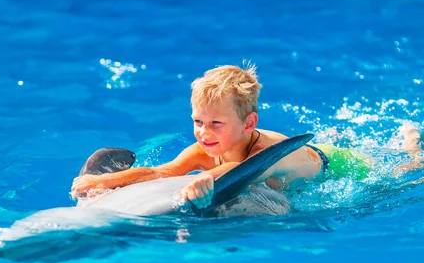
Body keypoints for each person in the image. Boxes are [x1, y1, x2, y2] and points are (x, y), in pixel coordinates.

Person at [70, 63, 410, 208]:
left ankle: (410, 142)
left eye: (216, 124)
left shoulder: (264, 150)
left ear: (249, 124)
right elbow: (166, 171)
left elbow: (236, 171)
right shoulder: (206, 145)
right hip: (304, 158)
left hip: (338, 166)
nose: (204, 133)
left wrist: (206, 181)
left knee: (406, 172)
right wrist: (110, 181)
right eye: (198, 121)